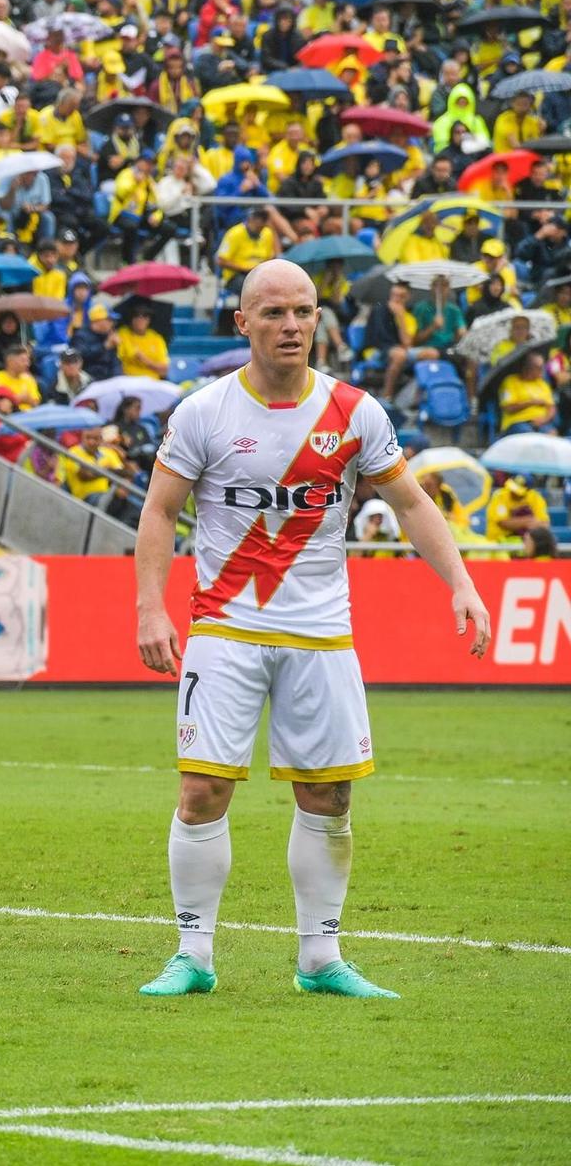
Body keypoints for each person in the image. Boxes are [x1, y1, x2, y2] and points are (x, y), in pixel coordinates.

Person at [134, 258, 490, 1002]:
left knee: (328, 797)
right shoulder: (203, 413)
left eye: (303, 310)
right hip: (224, 626)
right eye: (273, 313)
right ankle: (192, 954)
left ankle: (320, 959)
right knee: (202, 790)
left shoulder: (355, 411)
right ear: (243, 322)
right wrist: (150, 606)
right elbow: (161, 510)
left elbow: (414, 504)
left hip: (321, 630)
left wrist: (460, 580)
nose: (291, 325)